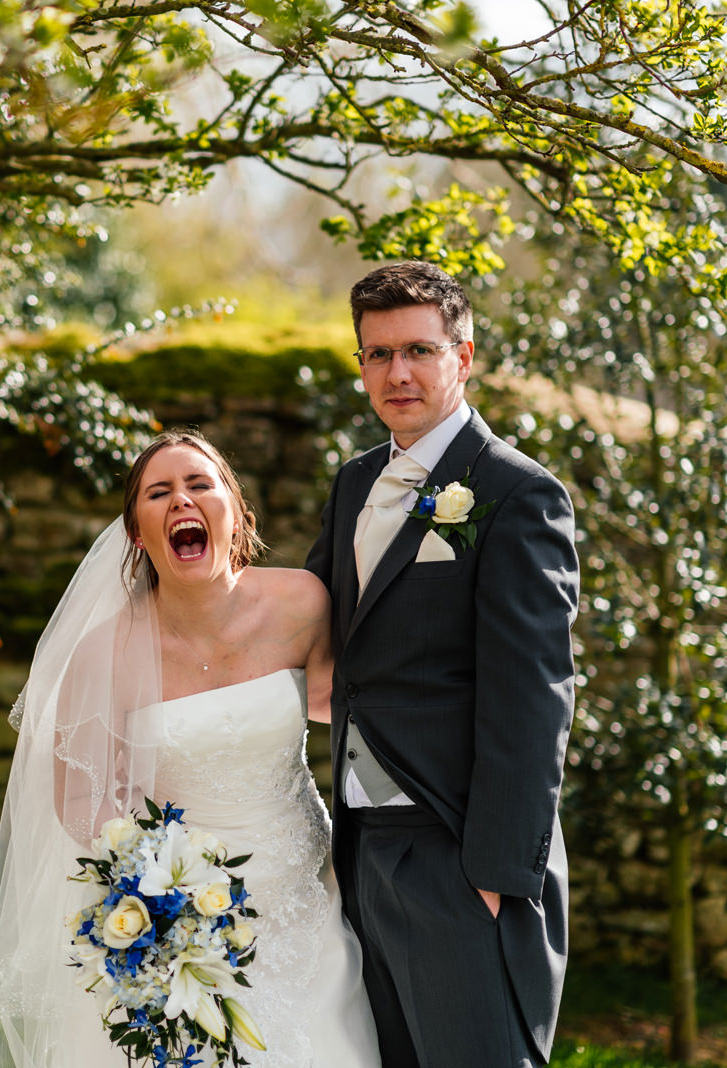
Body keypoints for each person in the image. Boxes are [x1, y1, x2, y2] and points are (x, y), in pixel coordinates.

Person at [0, 429, 381, 1068]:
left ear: (235, 512)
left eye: (199, 485)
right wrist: (161, 894)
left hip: (305, 894)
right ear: (137, 532)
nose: (181, 502)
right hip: (176, 909)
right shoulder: (102, 653)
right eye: (158, 493)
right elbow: (81, 801)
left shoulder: (301, 603)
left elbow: (346, 703)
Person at [305, 261, 580, 1068]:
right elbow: (320, 629)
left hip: (457, 848)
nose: (397, 373)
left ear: (464, 357)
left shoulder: (518, 493)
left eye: (419, 351)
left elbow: (533, 698)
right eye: (377, 354)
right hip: (360, 843)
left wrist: (496, 876)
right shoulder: (356, 482)